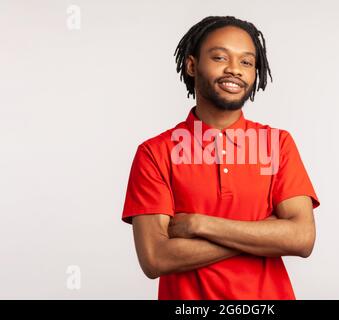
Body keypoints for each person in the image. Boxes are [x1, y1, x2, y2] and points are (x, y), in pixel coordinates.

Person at [121, 16, 320, 300]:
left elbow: (302, 239)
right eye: (219, 57)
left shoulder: (277, 144)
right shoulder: (155, 153)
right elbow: (155, 258)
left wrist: (199, 225)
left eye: (247, 62)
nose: (234, 70)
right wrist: (267, 233)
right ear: (192, 65)